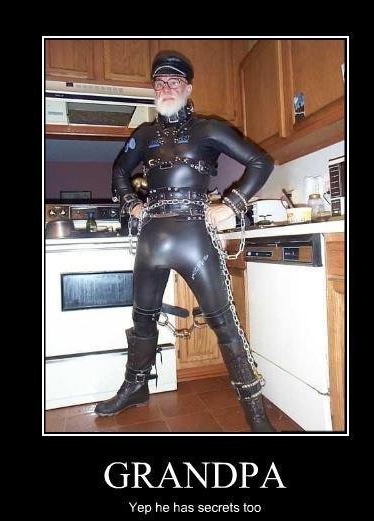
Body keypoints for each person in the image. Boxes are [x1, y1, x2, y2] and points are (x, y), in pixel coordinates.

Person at [94, 51, 275, 432]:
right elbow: (119, 170)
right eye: (159, 82)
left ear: (188, 87)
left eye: (174, 81)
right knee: (141, 319)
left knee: (225, 325)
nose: (166, 87)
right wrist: (131, 204)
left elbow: (261, 162)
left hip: (195, 237)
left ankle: (257, 417)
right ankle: (135, 387)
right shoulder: (143, 135)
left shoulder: (209, 129)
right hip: (151, 238)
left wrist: (232, 205)